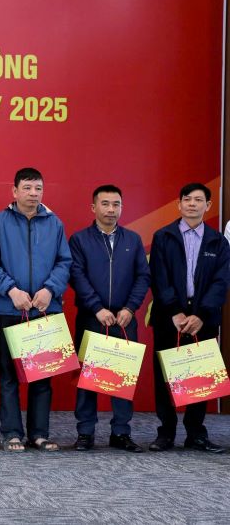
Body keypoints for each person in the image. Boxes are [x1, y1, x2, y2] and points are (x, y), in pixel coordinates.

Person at [0, 167, 71, 453]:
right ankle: (11, 434)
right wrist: (11, 290)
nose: (33, 193)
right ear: (14, 191)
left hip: (45, 309)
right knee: (8, 376)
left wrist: (49, 290)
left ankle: (39, 434)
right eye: (28, 188)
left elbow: (64, 262)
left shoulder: (54, 223)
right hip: (10, 308)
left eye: (38, 188)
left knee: (43, 376)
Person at [148, 182, 230, 453]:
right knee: (164, 377)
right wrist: (175, 311)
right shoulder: (164, 236)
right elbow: (159, 276)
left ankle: (196, 433)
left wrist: (202, 315)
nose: (192, 204)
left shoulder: (218, 241)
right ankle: (166, 433)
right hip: (168, 317)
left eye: (198, 200)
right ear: (179, 204)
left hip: (203, 319)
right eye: (187, 199)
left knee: (200, 376)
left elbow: (221, 281)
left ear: (208, 205)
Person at [68, 185, 150, 452]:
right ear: (94, 208)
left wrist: (130, 308)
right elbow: (77, 276)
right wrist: (96, 308)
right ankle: (85, 433)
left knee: (123, 379)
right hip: (93, 318)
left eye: (116, 204)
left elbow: (143, 277)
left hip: (124, 319)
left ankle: (121, 433)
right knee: (88, 379)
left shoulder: (133, 240)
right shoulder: (80, 240)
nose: (111, 209)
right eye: (105, 204)